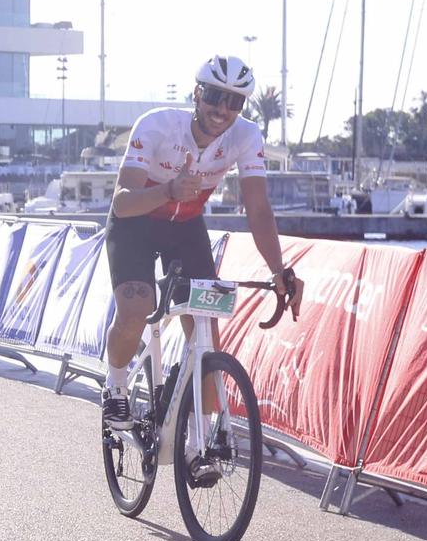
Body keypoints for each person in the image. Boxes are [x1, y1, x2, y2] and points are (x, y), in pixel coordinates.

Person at [99, 54, 303, 476]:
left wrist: (278, 270)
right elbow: (122, 201)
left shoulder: (246, 137)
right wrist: (171, 189)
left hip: (186, 228)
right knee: (137, 309)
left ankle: (199, 446)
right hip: (137, 221)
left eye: (234, 102)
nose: (222, 109)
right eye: (214, 96)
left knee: (207, 331)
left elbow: (258, 209)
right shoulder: (157, 126)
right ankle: (115, 382)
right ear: (197, 94)